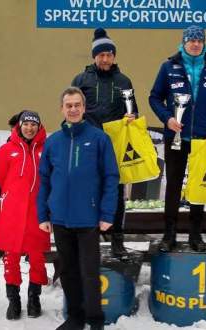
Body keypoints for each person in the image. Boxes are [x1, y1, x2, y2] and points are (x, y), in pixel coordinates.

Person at [38, 87, 119, 330]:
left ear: (84, 108)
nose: (73, 109)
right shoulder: (53, 142)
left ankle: (95, 319)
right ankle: (75, 317)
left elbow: (111, 177)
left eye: (77, 105)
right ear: (62, 109)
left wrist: (106, 213)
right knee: (69, 271)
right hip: (60, 219)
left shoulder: (99, 139)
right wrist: (43, 214)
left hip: (88, 219)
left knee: (89, 272)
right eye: (68, 105)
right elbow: (43, 180)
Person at [149, 25, 206, 252]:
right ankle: (169, 234)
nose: (195, 44)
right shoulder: (169, 67)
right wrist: (167, 119)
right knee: (173, 186)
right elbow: (154, 97)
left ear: (204, 43)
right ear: (183, 42)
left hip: (203, 140)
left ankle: (196, 235)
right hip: (176, 137)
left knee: (199, 187)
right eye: (191, 40)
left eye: (199, 40)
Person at [71, 27, 138, 257]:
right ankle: (90, 239)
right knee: (88, 192)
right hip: (88, 146)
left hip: (115, 147)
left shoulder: (124, 81)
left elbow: (133, 111)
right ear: (94, 56)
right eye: (101, 54)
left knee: (115, 193)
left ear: (114, 56)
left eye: (109, 54)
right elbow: (71, 109)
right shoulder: (81, 80)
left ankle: (117, 239)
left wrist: (132, 116)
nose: (105, 58)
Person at [0, 111, 50, 320]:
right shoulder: (7, 150)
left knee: (37, 256)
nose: (30, 128)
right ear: (20, 126)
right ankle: (13, 300)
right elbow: (0, 177)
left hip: (38, 211)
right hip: (12, 211)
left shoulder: (47, 149)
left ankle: (34, 298)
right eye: (26, 124)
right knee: (11, 255)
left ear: (39, 127)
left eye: (34, 124)